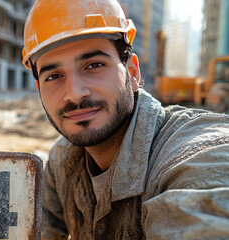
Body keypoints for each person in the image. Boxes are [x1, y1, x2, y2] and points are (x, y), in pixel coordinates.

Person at [21, 0, 229, 239]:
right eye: (53, 76)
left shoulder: (192, 155)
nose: (74, 93)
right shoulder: (63, 162)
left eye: (94, 65)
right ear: (39, 90)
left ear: (132, 73)